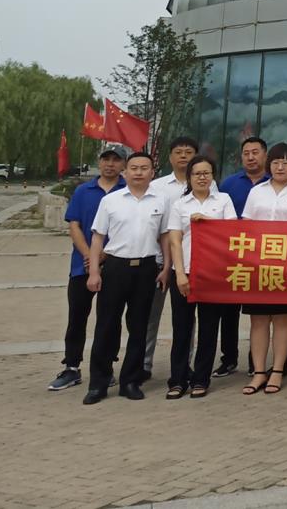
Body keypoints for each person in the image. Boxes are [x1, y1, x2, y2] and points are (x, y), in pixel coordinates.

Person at [82, 152, 166, 404]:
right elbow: (98, 238)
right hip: (116, 268)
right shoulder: (111, 201)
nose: (139, 172)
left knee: (139, 327)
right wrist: (94, 272)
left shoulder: (161, 201)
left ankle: (130, 380)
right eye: (134, 168)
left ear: (152, 173)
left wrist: (166, 268)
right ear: (125, 172)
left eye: (144, 168)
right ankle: (98, 383)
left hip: (147, 268)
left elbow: (165, 237)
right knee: (106, 325)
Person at [48, 148, 124, 392]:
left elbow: (129, 230)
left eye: (116, 160)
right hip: (82, 266)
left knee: (110, 319)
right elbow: (75, 226)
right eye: (106, 159)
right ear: (99, 163)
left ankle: (105, 368)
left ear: (123, 165)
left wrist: (103, 255)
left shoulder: (128, 191)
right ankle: (71, 367)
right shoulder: (83, 191)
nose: (110, 164)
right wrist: (89, 255)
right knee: (77, 317)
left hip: (115, 264)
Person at [240, 143, 287, 395]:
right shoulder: (257, 191)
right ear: (269, 164)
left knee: (282, 318)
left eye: (286, 162)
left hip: (286, 265)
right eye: (276, 162)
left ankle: (278, 370)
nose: (280, 167)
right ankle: (259, 372)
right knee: (258, 319)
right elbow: (245, 226)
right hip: (257, 264)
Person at [165, 156, 236, 399]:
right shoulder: (180, 205)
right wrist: (179, 274)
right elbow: (175, 241)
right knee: (181, 329)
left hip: (213, 274)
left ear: (213, 176)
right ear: (189, 177)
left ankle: (201, 379)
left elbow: (232, 233)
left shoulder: (224, 200)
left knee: (208, 329)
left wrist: (208, 221)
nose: (202, 177)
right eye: (197, 174)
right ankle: (178, 379)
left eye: (206, 173)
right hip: (185, 271)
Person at [141, 136, 204, 384]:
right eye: (179, 152)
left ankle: (185, 365)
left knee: (186, 319)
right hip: (156, 261)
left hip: (189, 264)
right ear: (170, 157)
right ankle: (143, 364)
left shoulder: (207, 185)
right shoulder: (156, 187)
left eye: (189, 152)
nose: (184, 156)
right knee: (149, 315)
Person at [215, 136, 269, 378]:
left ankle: (256, 362)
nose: (250, 157)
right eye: (246, 153)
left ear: (265, 155)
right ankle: (229, 358)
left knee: (261, 313)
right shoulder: (228, 184)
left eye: (255, 152)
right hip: (233, 256)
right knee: (229, 311)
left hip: (266, 257)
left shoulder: (275, 183)